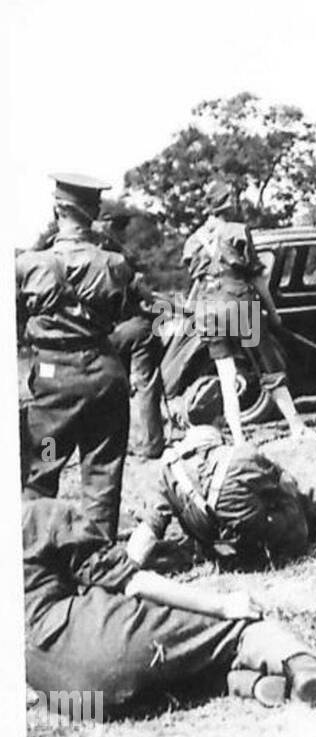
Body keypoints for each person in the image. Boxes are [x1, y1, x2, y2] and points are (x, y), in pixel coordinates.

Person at [24, 496, 316, 713]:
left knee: (173, 659)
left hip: (64, 695)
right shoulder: (40, 514)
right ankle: (307, 667)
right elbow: (132, 581)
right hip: (85, 639)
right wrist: (221, 606)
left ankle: (249, 685)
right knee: (234, 630)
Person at [16, 174, 136, 538]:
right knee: (102, 471)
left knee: (45, 466)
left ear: (58, 209)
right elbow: (132, 312)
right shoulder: (115, 264)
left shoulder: (28, 265)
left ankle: (36, 551)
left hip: (56, 387)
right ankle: (99, 558)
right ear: (94, 212)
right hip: (104, 376)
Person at [125, 378, 316, 569]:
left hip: (218, 553)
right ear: (221, 419)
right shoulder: (241, 456)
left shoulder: (169, 467)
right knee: (287, 494)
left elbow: (151, 525)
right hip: (264, 551)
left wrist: (128, 569)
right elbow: (289, 485)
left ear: (187, 420)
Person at [182, 179, 316, 445]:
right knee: (270, 368)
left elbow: (198, 282)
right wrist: (273, 313)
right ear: (228, 203)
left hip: (208, 311)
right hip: (240, 305)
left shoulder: (193, 241)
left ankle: (238, 439)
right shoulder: (238, 231)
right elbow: (258, 280)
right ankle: (297, 427)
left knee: (226, 376)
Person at [97, 205, 165, 458]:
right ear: (112, 227)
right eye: (122, 227)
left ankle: (112, 444)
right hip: (130, 328)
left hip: (102, 333)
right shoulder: (120, 258)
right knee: (146, 384)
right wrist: (172, 309)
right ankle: (151, 444)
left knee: (114, 387)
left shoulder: (89, 254)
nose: (125, 232)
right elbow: (143, 298)